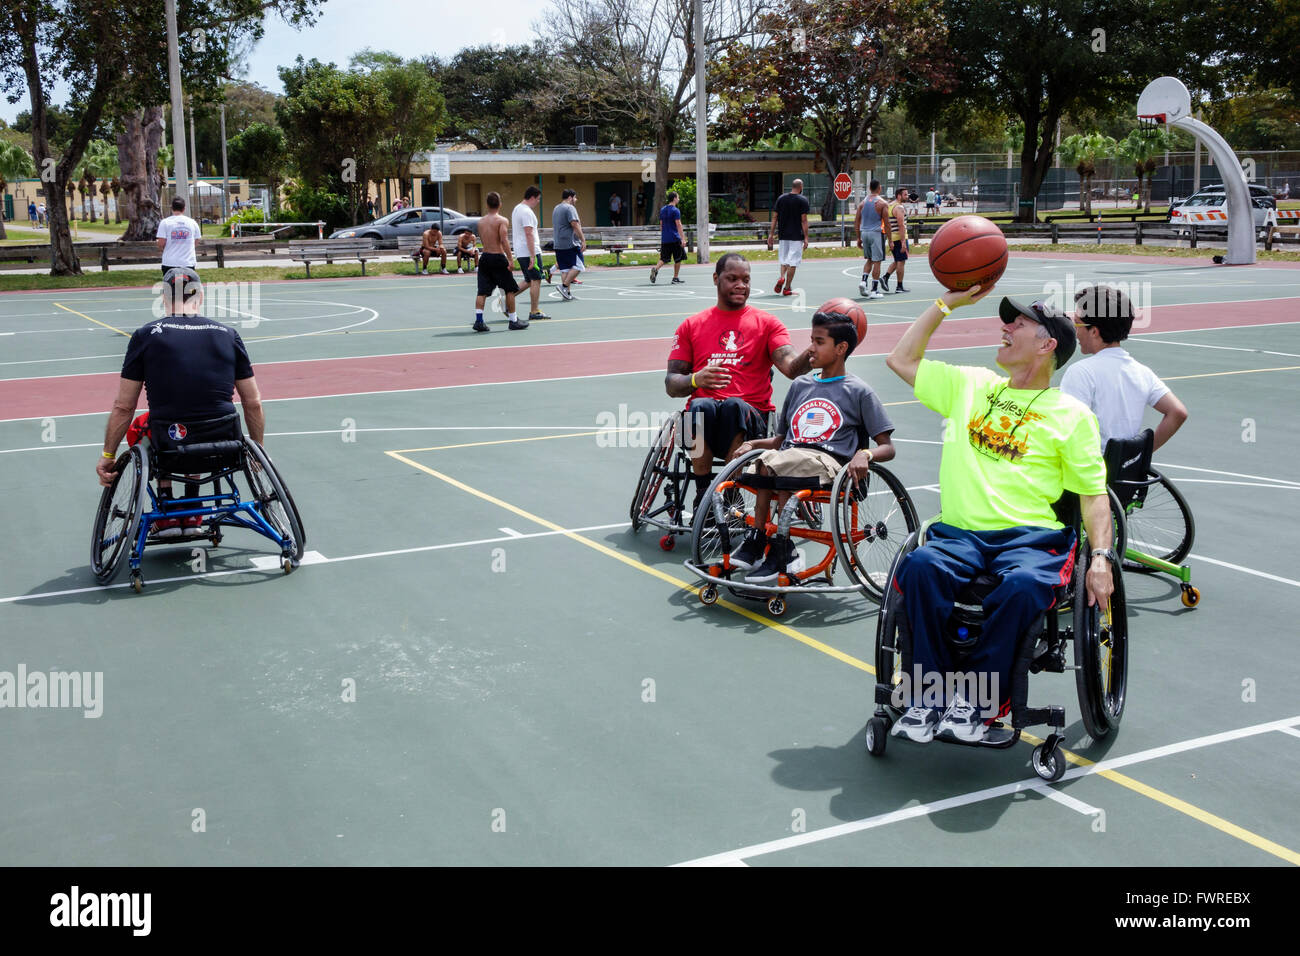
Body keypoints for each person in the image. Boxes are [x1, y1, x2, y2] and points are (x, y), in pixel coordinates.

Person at [883, 287, 1114, 744]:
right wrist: (946, 304)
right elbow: (900, 359)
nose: (1005, 328)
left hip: (1032, 539)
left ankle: (976, 700)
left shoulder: (1071, 415)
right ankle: (928, 696)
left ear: (1048, 345)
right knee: (920, 567)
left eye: (1019, 324)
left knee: (1024, 586)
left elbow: (1093, 496)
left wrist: (1102, 558)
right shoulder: (971, 385)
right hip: (960, 535)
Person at [729, 310, 897, 584]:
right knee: (765, 461)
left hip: (828, 463)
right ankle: (760, 539)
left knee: (780, 463)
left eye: (819, 342)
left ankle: (783, 548)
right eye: (811, 340)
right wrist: (752, 443)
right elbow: (779, 440)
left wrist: (865, 454)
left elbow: (887, 447)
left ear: (841, 348)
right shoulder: (800, 385)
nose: (811, 348)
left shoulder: (859, 391)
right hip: (790, 455)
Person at [95, 268, 265, 536]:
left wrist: (108, 456)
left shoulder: (146, 335)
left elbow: (124, 407)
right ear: (200, 295)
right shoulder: (228, 334)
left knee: (145, 425)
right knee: (198, 425)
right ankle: (194, 509)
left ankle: (168, 510)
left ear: (164, 297)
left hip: (170, 442)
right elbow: (252, 402)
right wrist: (258, 449)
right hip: (223, 442)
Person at [664, 252, 814, 512]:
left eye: (745, 279)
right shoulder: (691, 325)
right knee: (701, 406)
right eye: (732, 278)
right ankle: (704, 496)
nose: (741, 285)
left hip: (750, 420)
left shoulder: (767, 324)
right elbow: (671, 383)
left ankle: (730, 489)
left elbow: (790, 367)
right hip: (702, 421)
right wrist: (696, 379)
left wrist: (812, 352)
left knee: (734, 405)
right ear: (716, 279)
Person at [1061, 284, 1188, 451]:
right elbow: (1178, 412)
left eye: (1077, 324)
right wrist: (1140, 454)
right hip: (1123, 471)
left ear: (1094, 332)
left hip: (1089, 470)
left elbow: (1066, 430)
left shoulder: (1081, 372)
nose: (1076, 331)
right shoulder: (1142, 372)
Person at [473, 191, 526, 333]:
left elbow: (484, 240)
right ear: (500, 204)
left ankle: (479, 321)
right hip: (497, 257)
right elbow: (503, 240)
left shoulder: (481, 222)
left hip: (485, 257)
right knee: (510, 289)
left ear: (487, 204)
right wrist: (510, 258)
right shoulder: (502, 220)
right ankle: (513, 320)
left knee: (482, 291)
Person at [511, 186, 550, 322]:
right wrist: (533, 255)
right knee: (536, 280)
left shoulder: (517, 208)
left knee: (529, 280)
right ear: (532, 197)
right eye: (538, 199)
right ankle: (534, 311)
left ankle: (506, 299)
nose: (538, 202)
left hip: (522, 251)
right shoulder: (526, 212)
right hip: (529, 251)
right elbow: (529, 233)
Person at [768, 178, 810, 297]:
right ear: (800, 187)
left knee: (784, 260)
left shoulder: (781, 198)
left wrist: (771, 234)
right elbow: (804, 220)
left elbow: (774, 217)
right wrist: (806, 237)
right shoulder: (803, 200)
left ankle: (782, 277)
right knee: (793, 263)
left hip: (783, 236)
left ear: (792, 186)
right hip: (796, 236)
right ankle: (787, 287)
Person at [854, 179, 888, 299]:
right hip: (876, 233)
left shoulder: (862, 203)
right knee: (877, 261)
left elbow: (856, 221)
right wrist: (891, 239)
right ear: (879, 188)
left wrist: (858, 237)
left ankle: (863, 281)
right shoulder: (882, 203)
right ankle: (874, 290)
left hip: (864, 232)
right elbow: (887, 223)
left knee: (869, 260)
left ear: (869, 188)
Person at [552, 188, 585, 301]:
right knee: (579, 266)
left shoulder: (556, 208)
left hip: (558, 243)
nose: (576, 200)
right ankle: (564, 286)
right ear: (570, 197)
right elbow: (575, 225)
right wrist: (583, 240)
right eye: (575, 197)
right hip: (569, 243)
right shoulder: (570, 208)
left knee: (565, 269)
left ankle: (567, 294)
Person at [156, 196, 201, 277]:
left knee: (169, 288)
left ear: (171, 208)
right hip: (188, 263)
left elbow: (161, 242)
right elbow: (197, 240)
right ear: (184, 209)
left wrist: (165, 248)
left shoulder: (165, 222)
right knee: (188, 288)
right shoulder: (192, 223)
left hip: (170, 263)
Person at [650, 190, 687, 284]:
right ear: (674, 198)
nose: (678, 199)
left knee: (664, 258)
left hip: (665, 239)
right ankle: (675, 278)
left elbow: (661, 225)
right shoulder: (675, 210)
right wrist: (683, 238)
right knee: (678, 258)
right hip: (674, 238)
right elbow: (678, 225)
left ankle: (656, 268)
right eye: (678, 197)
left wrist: (665, 234)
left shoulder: (662, 210)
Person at [879, 186, 911, 294]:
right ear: (899, 195)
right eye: (905, 194)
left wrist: (890, 240)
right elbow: (901, 225)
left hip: (893, 237)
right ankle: (899, 286)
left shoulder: (890, 206)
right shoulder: (899, 208)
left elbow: (887, 224)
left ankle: (885, 277)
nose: (907, 196)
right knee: (901, 262)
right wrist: (903, 242)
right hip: (899, 237)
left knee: (897, 260)